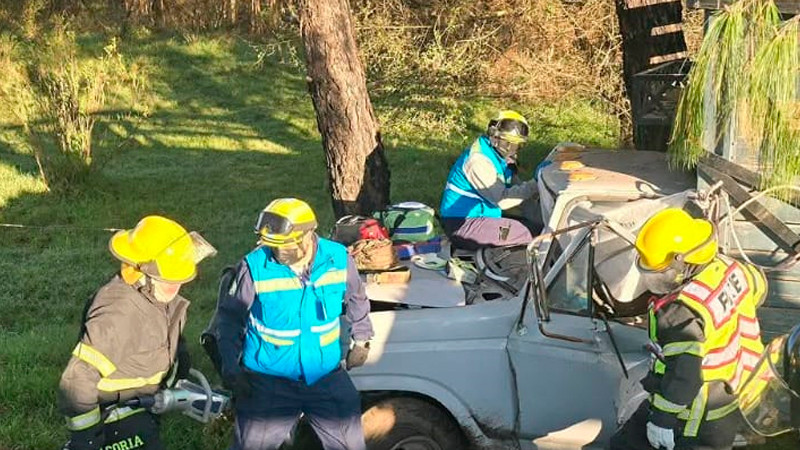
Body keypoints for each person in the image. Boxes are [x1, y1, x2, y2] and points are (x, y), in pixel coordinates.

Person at [217, 198, 374, 450]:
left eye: (285, 247)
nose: (279, 254)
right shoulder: (254, 266)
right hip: (268, 382)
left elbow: (357, 297)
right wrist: (230, 364)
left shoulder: (338, 259)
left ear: (307, 235)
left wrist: (362, 338)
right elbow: (230, 318)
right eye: (274, 247)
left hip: (324, 376)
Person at [610, 208, 768, 450]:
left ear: (681, 262)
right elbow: (759, 289)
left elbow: (685, 374)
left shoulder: (679, 312)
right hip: (732, 402)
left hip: (692, 417)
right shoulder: (730, 268)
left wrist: (661, 420)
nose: (656, 279)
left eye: (662, 271)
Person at [59, 215, 216, 450]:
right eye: (171, 281)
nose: (178, 286)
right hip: (116, 420)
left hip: (142, 411)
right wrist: (87, 437)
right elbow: (77, 379)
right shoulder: (119, 312)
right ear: (141, 273)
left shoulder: (157, 299)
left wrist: (178, 359)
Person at [439, 110, 540, 250]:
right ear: (494, 136)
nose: (512, 149)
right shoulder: (478, 161)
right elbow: (503, 200)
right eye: (508, 143)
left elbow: (515, 185)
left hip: (482, 218)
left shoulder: (497, 154)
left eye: (517, 145)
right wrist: (537, 184)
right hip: (462, 224)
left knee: (536, 228)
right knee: (531, 234)